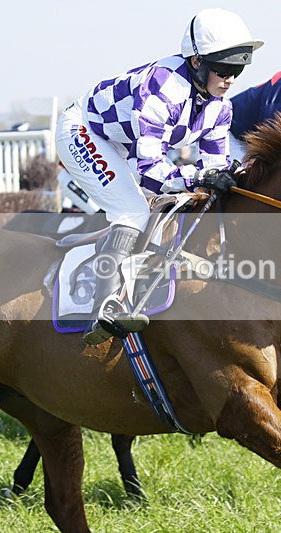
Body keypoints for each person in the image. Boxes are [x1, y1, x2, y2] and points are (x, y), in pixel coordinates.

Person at [55, 8, 263, 344]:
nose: (232, 79)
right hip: (84, 132)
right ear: (197, 61)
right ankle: (103, 307)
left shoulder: (220, 106)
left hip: (122, 145)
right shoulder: (163, 85)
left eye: (238, 69)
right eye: (224, 68)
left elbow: (217, 168)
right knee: (132, 210)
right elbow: (151, 173)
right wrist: (199, 176)